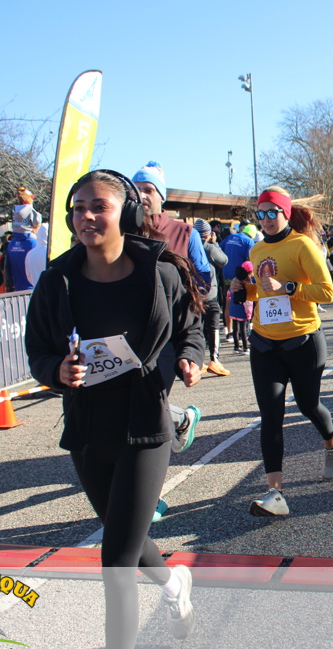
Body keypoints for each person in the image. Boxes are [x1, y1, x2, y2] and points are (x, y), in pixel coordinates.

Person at [25, 169, 204, 649]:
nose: (86, 216)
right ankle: (175, 584)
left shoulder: (159, 273)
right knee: (128, 537)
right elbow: (37, 351)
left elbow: (190, 328)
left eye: (98, 206)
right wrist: (57, 370)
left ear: (125, 212)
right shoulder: (56, 282)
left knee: (116, 562)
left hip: (145, 424)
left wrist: (190, 357)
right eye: (78, 208)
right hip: (88, 428)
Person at [230, 187, 333, 517]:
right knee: (271, 415)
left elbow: (327, 292)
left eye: (271, 212)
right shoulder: (257, 248)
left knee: (308, 405)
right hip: (265, 344)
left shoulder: (302, 245)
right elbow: (262, 292)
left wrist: (288, 287)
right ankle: (274, 493)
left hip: (303, 342)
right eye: (260, 214)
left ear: (285, 213)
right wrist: (244, 290)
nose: (265, 219)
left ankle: (332, 443)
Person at [132, 161, 204, 452]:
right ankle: (180, 419)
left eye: (148, 189)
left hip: (171, 334)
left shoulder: (185, 233)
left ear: (161, 197)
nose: (142, 194)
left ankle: (174, 427)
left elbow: (204, 276)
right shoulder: (123, 231)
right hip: (133, 334)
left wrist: (187, 301)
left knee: (148, 403)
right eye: (136, 189)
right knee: (135, 404)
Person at [193, 218, 230, 375]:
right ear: (208, 234)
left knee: (197, 328)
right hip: (209, 293)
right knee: (213, 327)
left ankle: (198, 361)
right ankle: (214, 360)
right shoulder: (209, 248)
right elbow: (223, 260)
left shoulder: (189, 246)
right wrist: (214, 243)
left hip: (193, 294)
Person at [5, 186, 42, 291]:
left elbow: (8, 270)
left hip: (18, 291)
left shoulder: (11, 244)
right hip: (34, 289)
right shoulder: (33, 243)